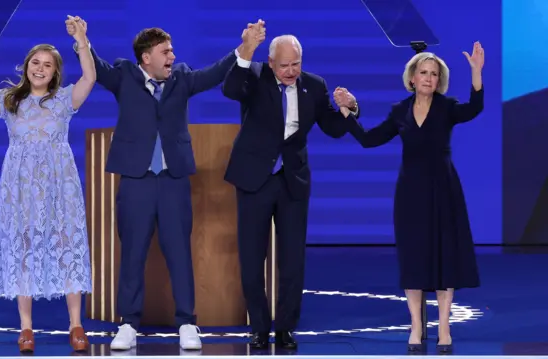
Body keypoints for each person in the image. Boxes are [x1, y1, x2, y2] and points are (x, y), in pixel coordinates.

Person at [65, 16, 264, 351]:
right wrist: (82, 40)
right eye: (165, 52)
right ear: (146, 57)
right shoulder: (125, 75)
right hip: (136, 181)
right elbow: (95, 68)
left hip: (172, 182)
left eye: (172, 51)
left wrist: (245, 48)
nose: (172, 56)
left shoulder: (182, 77)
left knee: (179, 253)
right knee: (132, 254)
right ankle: (128, 323)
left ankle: (187, 322)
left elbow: (214, 73)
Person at [339, 42, 485, 353]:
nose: (429, 78)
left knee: (445, 256)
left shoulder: (447, 108)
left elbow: (474, 109)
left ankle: (443, 327)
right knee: (414, 258)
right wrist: (347, 114)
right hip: (411, 193)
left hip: (444, 189)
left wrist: (476, 73)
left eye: (435, 74)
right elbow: (369, 139)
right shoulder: (399, 111)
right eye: (424, 72)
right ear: (412, 78)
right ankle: (417, 327)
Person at [221, 28, 359, 350]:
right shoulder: (254, 77)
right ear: (270, 63)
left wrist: (349, 107)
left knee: (293, 260)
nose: (290, 71)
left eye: (295, 64)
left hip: (292, 181)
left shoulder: (314, 85)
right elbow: (230, 88)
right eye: (284, 65)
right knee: (253, 258)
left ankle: (285, 328)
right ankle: (258, 327)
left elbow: (335, 128)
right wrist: (245, 50)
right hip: (255, 178)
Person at [0, 17, 96, 353]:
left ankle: (76, 325)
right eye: (35, 63)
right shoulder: (10, 100)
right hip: (20, 187)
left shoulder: (65, 100)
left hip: (59, 184)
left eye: (47, 65)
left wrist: (81, 40)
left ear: (55, 72)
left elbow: (90, 77)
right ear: (26, 67)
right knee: (24, 249)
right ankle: (26, 328)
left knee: (67, 245)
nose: (40, 69)